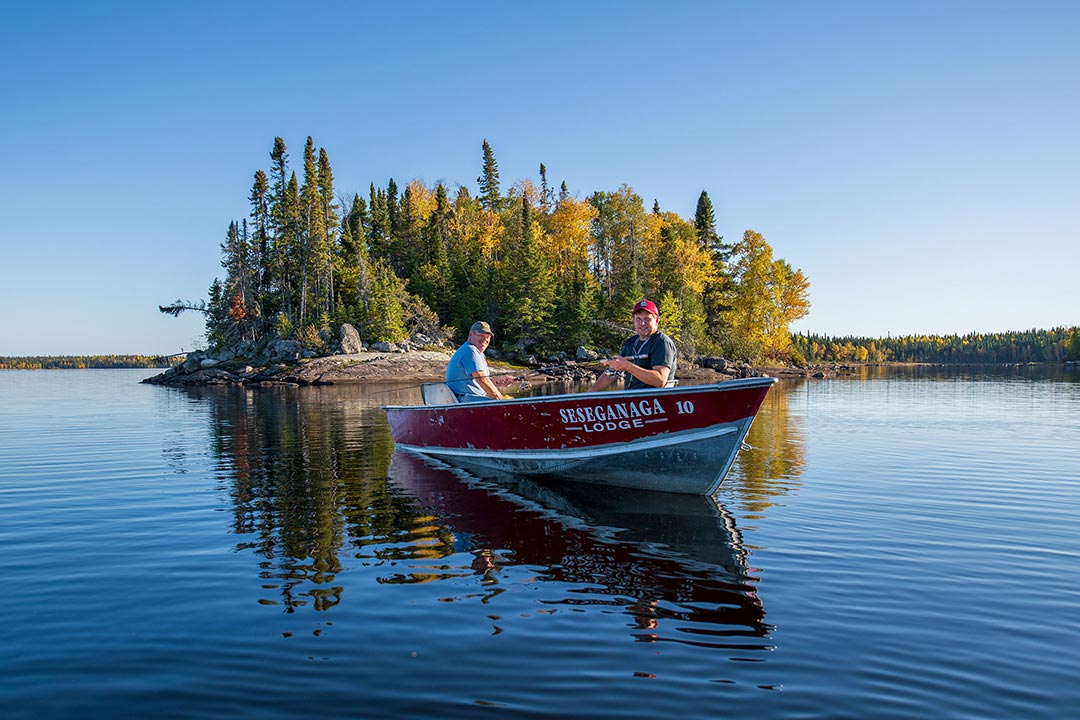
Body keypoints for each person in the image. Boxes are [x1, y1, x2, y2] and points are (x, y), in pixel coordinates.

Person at [588, 299, 678, 392]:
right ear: (633, 321)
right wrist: (589, 395)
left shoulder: (662, 342)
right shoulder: (631, 342)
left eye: (647, 319)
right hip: (632, 401)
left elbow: (660, 381)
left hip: (656, 402)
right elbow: (611, 373)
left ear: (657, 320)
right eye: (638, 319)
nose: (642, 323)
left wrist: (627, 366)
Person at [445, 321, 507, 402]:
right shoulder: (470, 350)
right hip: (465, 400)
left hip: (470, 399)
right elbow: (481, 380)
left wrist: (499, 380)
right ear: (471, 334)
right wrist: (500, 398)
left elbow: (481, 380)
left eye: (488, 337)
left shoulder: (476, 352)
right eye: (481, 335)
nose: (485, 340)